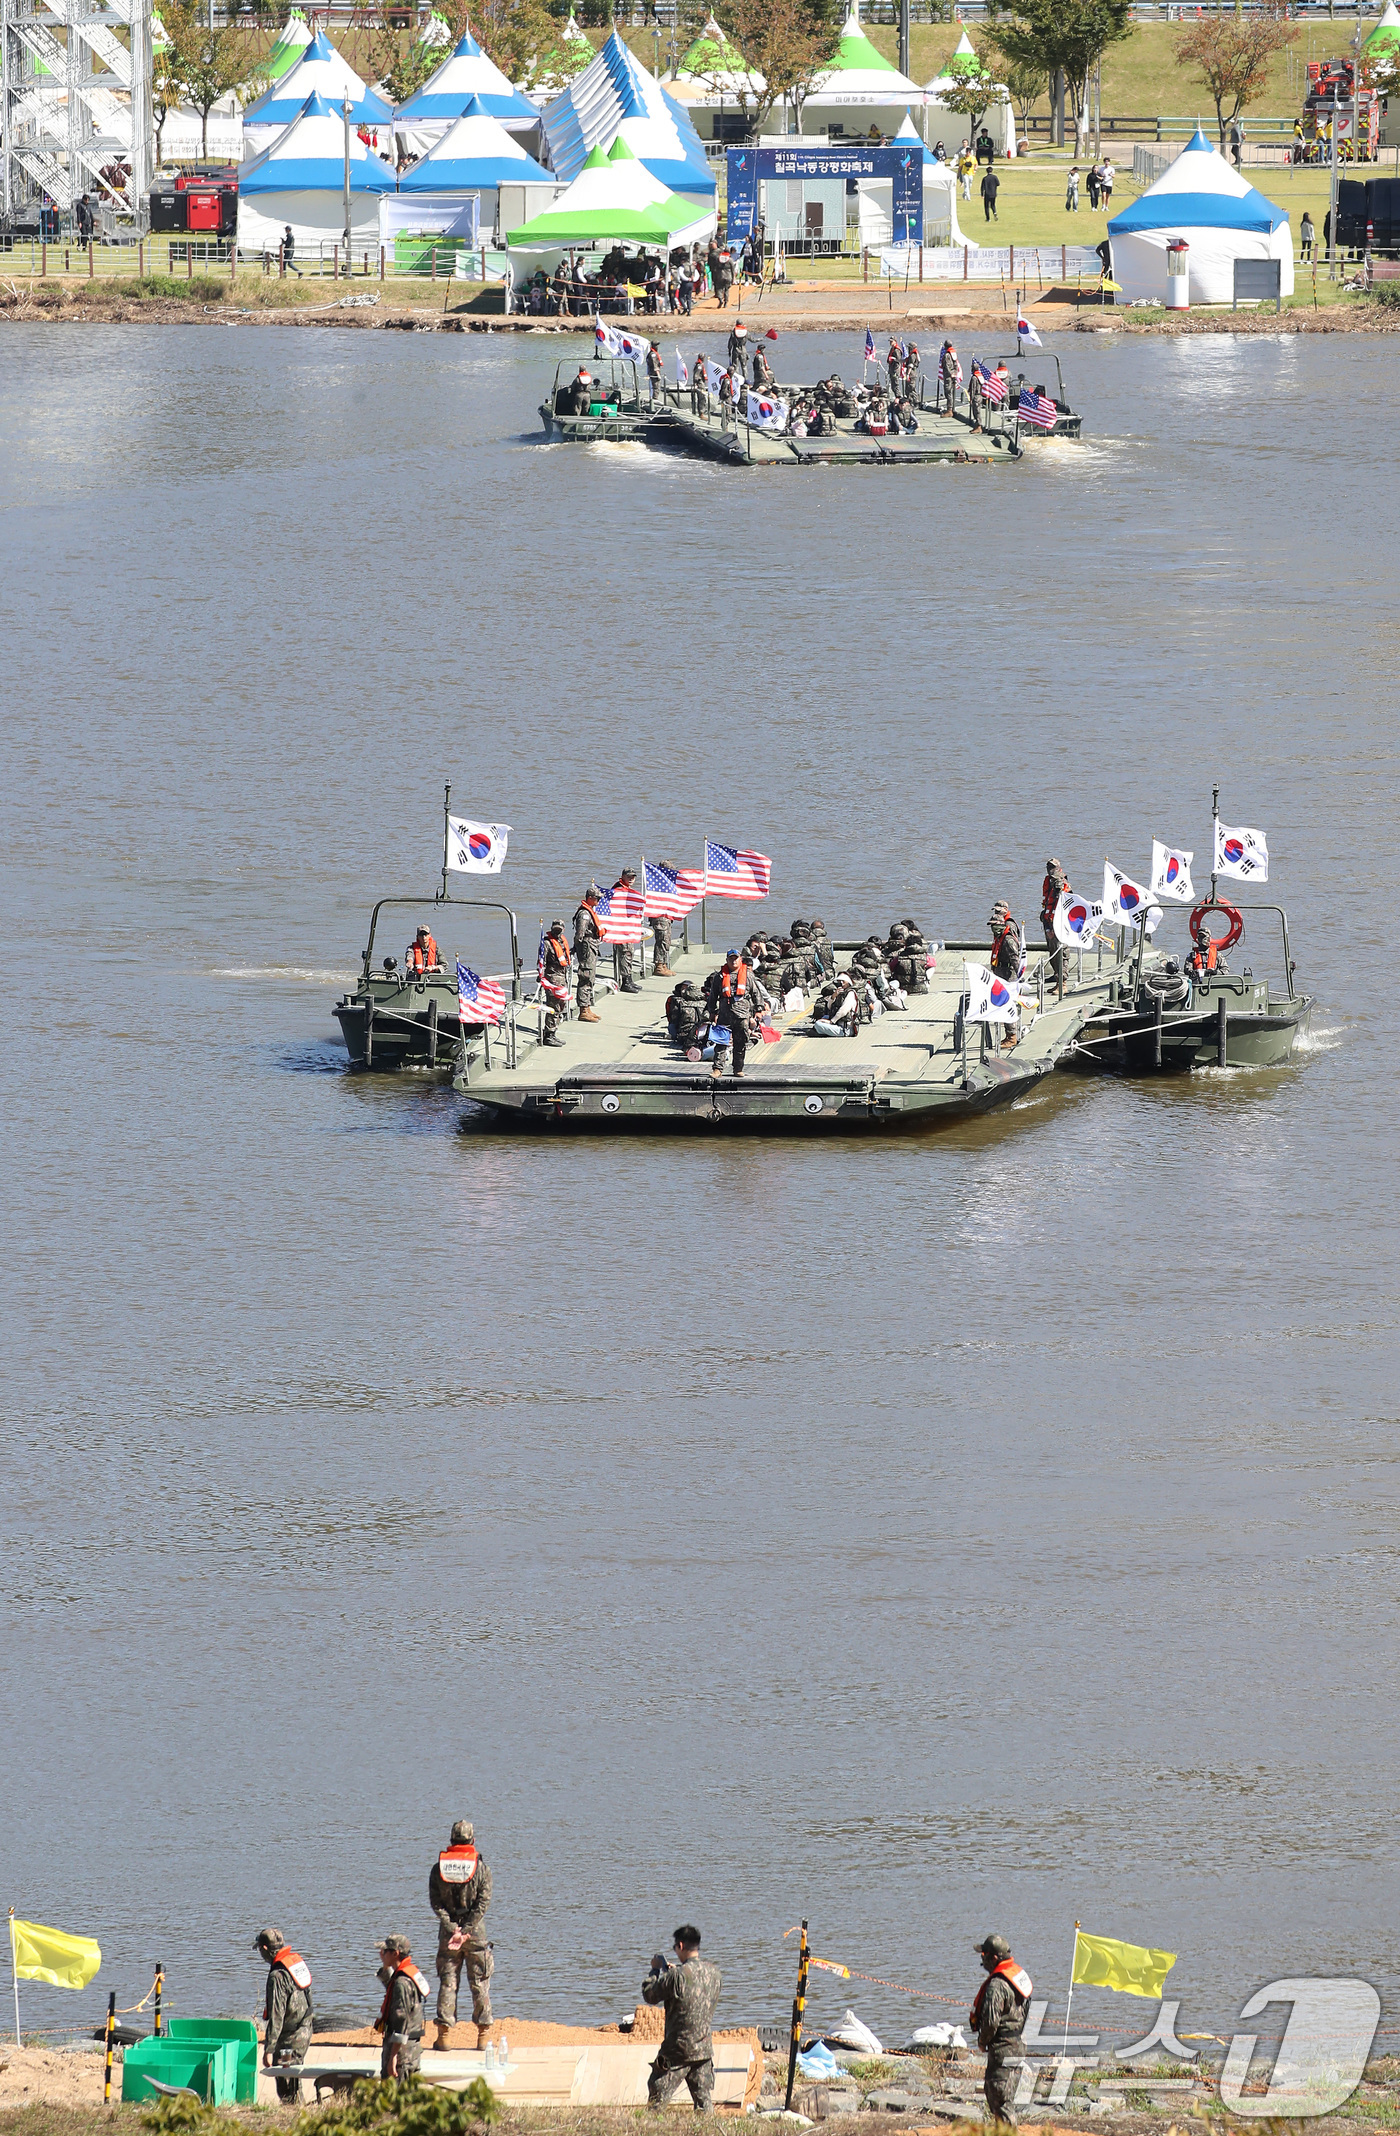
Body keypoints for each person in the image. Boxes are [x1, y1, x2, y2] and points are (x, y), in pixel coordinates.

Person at [641, 1925, 722, 2110]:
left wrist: (654, 1971)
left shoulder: (676, 1977)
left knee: (656, 2098)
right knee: (703, 2103)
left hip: (677, 2050)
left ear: (680, 1945)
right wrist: (674, 1971)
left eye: (675, 1948)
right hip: (703, 2049)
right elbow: (693, 1990)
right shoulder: (714, 1973)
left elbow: (650, 1995)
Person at [429, 1819, 494, 2049]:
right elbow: (483, 1902)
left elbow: (436, 1903)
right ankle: (483, 2037)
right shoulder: (482, 1868)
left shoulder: (438, 1868)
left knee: (448, 1983)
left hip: (448, 1936)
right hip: (475, 1935)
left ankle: (444, 2036)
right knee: (479, 1983)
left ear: (451, 1841)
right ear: (472, 1841)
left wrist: (452, 1928)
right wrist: (466, 1930)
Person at [970, 1934, 1032, 2126]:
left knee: (1000, 2102)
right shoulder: (1017, 1977)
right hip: (1017, 2045)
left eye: (984, 1955)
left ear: (994, 1958)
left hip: (1002, 2050)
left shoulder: (996, 1986)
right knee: (1006, 2099)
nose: (981, 1958)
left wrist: (982, 2042)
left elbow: (990, 2023)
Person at [254, 1929, 313, 2102]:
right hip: (305, 2028)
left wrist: (269, 2048)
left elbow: (276, 2015)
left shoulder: (277, 1976)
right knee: (294, 2080)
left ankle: (294, 2117)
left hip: (290, 2037)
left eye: (259, 1949)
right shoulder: (293, 1963)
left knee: (286, 2085)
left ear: (265, 1948)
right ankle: (297, 2113)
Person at [375, 1935, 430, 2080]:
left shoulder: (401, 1982)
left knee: (396, 2096)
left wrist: (393, 2056)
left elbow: (401, 2019)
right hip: (410, 2049)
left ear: (395, 1953)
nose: (381, 1953)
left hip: (401, 2054)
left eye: (385, 1951)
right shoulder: (408, 1974)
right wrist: (386, 1967)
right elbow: (393, 1991)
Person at [704, 950, 760, 1077]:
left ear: (740, 959)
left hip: (742, 1016)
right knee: (721, 1043)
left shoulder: (748, 975)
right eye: (731, 959)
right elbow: (713, 996)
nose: (733, 961)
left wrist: (759, 1009)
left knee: (740, 1044)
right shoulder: (720, 977)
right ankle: (717, 1069)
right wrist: (712, 1011)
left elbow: (756, 993)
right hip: (725, 1015)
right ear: (727, 960)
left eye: (736, 958)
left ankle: (738, 1068)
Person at [1040, 857, 1070, 998]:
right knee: (1052, 952)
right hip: (1049, 922)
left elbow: (1065, 905)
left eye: (1052, 867)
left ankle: (1063, 984)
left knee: (1061, 952)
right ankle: (1057, 980)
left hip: (1060, 925)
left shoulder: (1063, 885)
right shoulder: (1049, 883)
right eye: (1048, 866)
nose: (1050, 869)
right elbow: (1047, 904)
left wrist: (1056, 926)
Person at [573, 885, 603, 1024]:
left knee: (591, 977)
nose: (598, 901)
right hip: (586, 947)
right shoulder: (584, 914)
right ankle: (583, 1010)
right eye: (596, 898)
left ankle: (588, 1007)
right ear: (589, 898)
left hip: (591, 946)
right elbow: (580, 934)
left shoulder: (590, 912)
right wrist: (577, 948)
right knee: (586, 976)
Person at [610, 866, 642, 993]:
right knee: (625, 952)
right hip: (620, 928)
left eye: (633, 877)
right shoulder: (618, 889)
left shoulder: (627, 889)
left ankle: (628, 978)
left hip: (627, 927)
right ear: (622, 876)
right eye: (628, 876)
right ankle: (625, 981)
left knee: (629, 952)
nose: (631, 879)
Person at [540, 921, 570, 1046]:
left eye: (560, 929)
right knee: (553, 1007)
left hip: (562, 977)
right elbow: (542, 961)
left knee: (560, 1006)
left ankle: (553, 1031)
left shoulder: (562, 942)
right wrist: (542, 977)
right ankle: (548, 1035)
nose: (558, 931)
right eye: (555, 929)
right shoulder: (547, 943)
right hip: (552, 979)